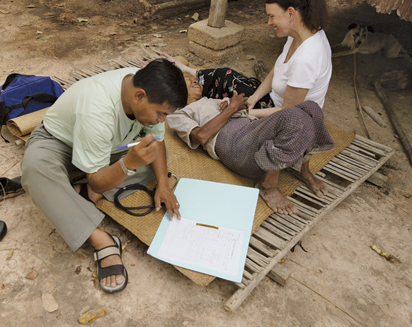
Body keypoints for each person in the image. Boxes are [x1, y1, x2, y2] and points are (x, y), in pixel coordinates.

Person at [21, 59, 187, 294]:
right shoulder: (96, 108)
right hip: (60, 143)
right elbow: (97, 180)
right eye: (160, 114)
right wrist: (128, 164)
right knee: (34, 167)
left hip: (108, 146)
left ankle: (73, 194)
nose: (162, 121)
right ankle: (101, 239)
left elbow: (157, 141)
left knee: (156, 156)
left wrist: (163, 185)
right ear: (139, 96)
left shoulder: (142, 82)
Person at [167, 73, 334, 216]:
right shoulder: (178, 114)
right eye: (187, 80)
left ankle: (301, 168)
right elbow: (201, 137)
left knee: (311, 108)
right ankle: (267, 185)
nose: (194, 80)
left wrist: (233, 108)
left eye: (194, 78)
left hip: (250, 130)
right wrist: (231, 108)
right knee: (294, 118)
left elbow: (236, 114)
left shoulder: (210, 100)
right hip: (233, 145)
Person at [246, 0, 332, 118]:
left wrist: (246, 114)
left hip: (292, 119)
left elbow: (288, 111)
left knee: (229, 123)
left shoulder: (306, 59)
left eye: (272, 16)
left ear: (291, 13)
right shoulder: (299, 34)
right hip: (276, 102)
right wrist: (253, 98)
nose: (269, 22)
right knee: (226, 77)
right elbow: (278, 69)